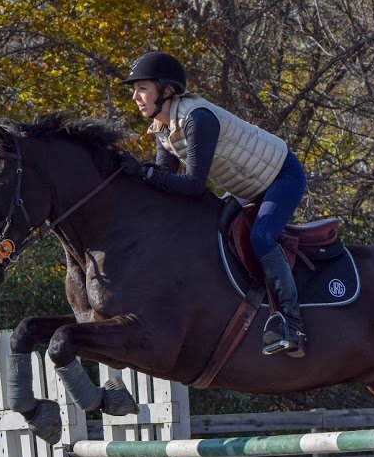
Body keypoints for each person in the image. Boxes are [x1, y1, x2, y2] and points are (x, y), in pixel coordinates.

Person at [120, 51, 308, 358]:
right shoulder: (163, 129)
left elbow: (194, 185)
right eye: (135, 89)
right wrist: (132, 178)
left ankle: (291, 322)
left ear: (165, 91)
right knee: (214, 229)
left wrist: (144, 173)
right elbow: (165, 179)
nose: (135, 97)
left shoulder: (197, 119)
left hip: (281, 176)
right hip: (246, 186)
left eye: (142, 88)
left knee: (261, 237)